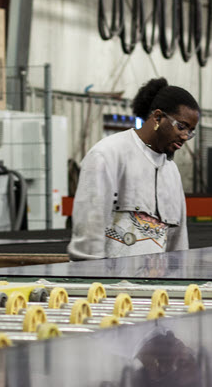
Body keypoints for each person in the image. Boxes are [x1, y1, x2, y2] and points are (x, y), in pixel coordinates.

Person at [68, 78, 198, 260]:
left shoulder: (171, 171)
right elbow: (89, 232)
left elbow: (178, 242)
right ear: (158, 117)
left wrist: (178, 280)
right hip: (109, 285)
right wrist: (92, 281)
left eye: (191, 131)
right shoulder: (108, 155)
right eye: (182, 126)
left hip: (155, 286)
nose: (185, 136)